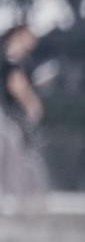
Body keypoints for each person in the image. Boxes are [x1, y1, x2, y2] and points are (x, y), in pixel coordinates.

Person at [0, 24, 49, 209]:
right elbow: (16, 84)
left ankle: (23, 197)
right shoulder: (10, 56)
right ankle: (14, 196)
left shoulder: (22, 59)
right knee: (13, 149)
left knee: (22, 153)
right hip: (7, 116)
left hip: (13, 116)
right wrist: (31, 102)